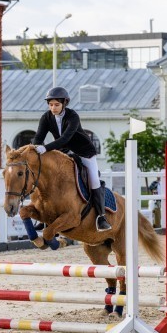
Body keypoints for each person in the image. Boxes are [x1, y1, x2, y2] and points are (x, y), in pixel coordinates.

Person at [32, 86, 111, 231]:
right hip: (64, 152)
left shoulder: (73, 116)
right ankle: (45, 217)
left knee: (93, 179)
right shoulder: (46, 117)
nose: (53, 108)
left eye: (56, 105)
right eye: (50, 105)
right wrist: (34, 148)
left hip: (84, 152)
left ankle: (101, 217)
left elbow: (65, 138)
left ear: (64, 103)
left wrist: (46, 148)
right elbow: (38, 137)